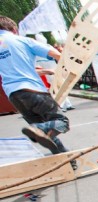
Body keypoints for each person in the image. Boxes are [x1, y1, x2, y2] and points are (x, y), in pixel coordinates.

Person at [0, 16, 73, 162]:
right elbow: (57, 55)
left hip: (14, 96)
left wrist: (43, 72)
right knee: (61, 121)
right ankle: (39, 129)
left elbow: (12, 69)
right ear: (14, 29)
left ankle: (67, 161)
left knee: (44, 133)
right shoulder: (21, 40)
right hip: (33, 90)